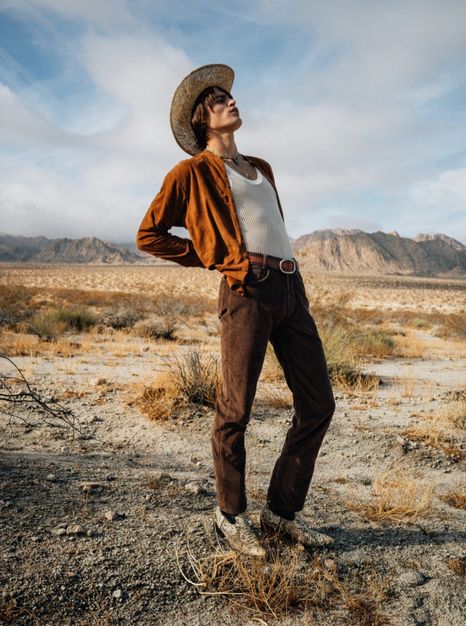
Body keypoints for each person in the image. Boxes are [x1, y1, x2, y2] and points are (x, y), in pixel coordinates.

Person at [136, 64, 336, 558]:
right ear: (204, 117)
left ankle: (281, 514)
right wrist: (214, 257)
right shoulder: (192, 172)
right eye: (220, 99)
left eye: (231, 96)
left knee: (318, 404)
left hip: (291, 288)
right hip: (246, 290)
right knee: (235, 409)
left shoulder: (261, 168)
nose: (232, 102)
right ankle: (229, 514)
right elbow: (149, 234)